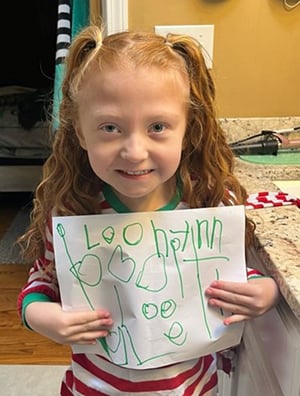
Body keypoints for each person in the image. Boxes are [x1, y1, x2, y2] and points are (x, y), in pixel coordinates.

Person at [17, 25, 279, 395]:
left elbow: (227, 272)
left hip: (193, 389)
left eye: (157, 126)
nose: (134, 151)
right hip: (93, 389)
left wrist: (261, 289)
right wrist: (37, 313)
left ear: (187, 131)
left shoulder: (207, 202)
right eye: (110, 127)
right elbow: (44, 279)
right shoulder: (74, 209)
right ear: (79, 133)